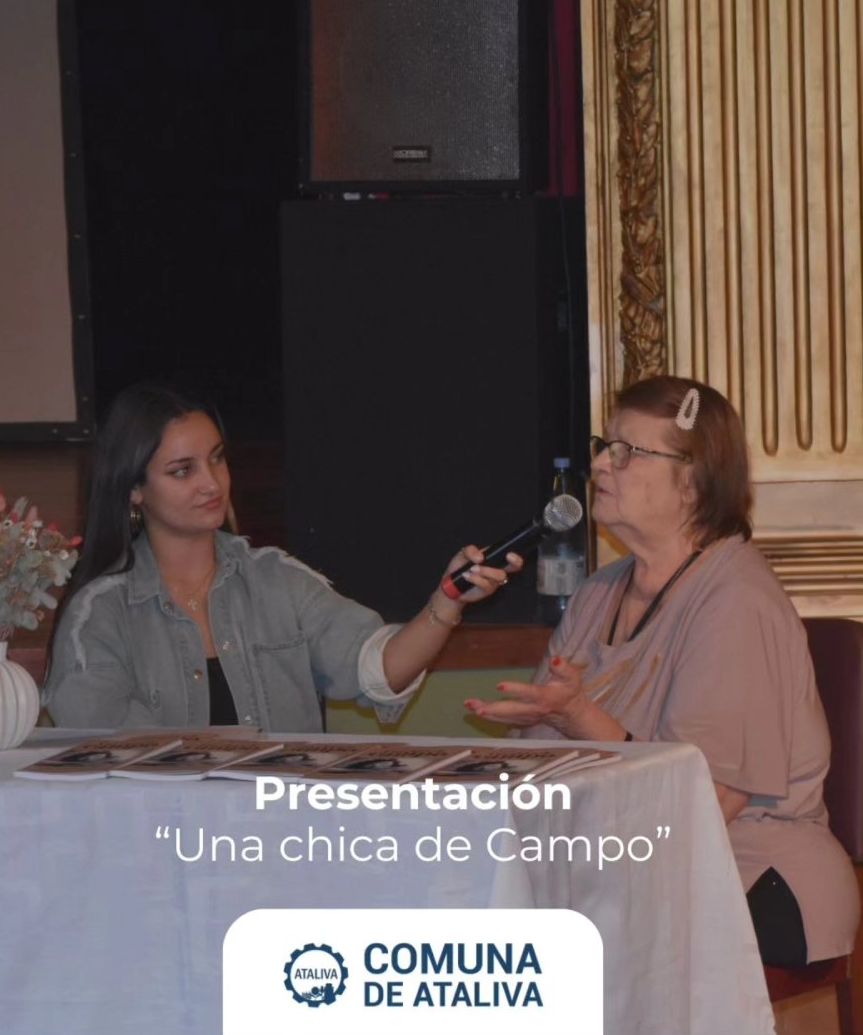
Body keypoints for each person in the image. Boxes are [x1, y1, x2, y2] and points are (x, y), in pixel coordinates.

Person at [466, 375, 858, 968]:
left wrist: (576, 715)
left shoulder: (736, 598)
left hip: (749, 869)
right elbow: (546, 775)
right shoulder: (598, 593)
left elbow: (706, 802)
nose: (601, 463)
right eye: (604, 445)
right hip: (621, 866)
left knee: (555, 956)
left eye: (629, 452)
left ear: (693, 484)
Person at [45, 384, 520, 734]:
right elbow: (109, 759)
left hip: (284, 836)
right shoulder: (99, 615)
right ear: (133, 489)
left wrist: (448, 598)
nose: (212, 483)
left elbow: (377, 669)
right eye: (182, 470)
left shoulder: (275, 579)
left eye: (217, 459)